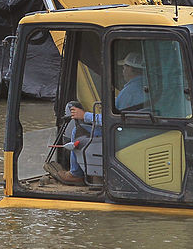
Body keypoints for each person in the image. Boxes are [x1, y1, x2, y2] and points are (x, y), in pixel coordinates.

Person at [47, 52, 146, 185]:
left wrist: (84, 116)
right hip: (136, 130)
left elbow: (110, 119)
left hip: (123, 132)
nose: (123, 71)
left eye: (124, 67)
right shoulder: (145, 87)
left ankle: (75, 174)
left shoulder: (130, 91)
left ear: (132, 69)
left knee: (79, 131)